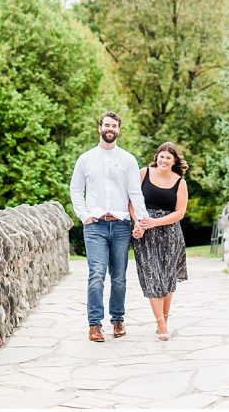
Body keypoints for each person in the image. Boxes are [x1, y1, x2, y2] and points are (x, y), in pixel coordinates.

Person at [69, 111, 150, 342]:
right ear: (100, 128)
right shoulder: (85, 159)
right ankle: (95, 325)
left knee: (119, 277)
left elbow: (135, 192)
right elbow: (76, 189)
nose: (110, 129)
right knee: (96, 275)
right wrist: (84, 215)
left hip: (121, 225)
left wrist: (141, 221)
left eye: (114, 125)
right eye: (106, 125)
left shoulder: (127, 159)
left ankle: (117, 320)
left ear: (118, 129)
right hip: (95, 226)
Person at [129, 142, 189, 341]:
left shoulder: (180, 182)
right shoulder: (143, 173)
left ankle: (164, 319)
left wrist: (155, 222)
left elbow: (180, 212)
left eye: (168, 157)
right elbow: (131, 202)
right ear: (157, 157)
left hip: (170, 234)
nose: (164, 160)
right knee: (153, 277)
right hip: (146, 234)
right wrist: (138, 223)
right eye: (161, 156)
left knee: (167, 279)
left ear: (174, 161)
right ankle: (161, 324)